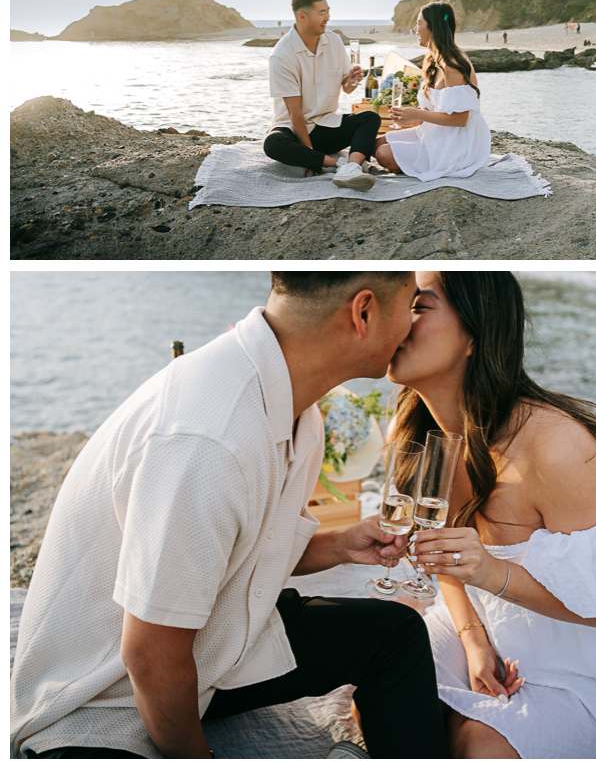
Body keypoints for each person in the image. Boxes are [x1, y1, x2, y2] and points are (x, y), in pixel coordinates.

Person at [11, 272, 450, 760]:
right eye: (410, 307)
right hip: (105, 694)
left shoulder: (294, 403)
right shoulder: (208, 439)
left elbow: (243, 546)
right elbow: (150, 657)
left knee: (394, 633)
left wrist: (339, 545)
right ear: (363, 312)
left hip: (217, 642)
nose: (411, 326)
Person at [387, 272, 596, 759]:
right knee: (379, 681)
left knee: (480, 748)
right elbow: (440, 550)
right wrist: (473, 638)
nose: (396, 321)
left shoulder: (556, 446)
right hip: (486, 622)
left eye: (419, 307)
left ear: (476, 333)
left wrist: (491, 571)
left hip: (589, 660)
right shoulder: (412, 429)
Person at [263, 0, 380, 192]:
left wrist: (351, 80)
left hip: (326, 125)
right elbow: (294, 112)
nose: (327, 17)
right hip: (293, 128)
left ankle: (351, 168)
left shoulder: (334, 41)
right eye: (321, 13)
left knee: (369, 117)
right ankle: (340, 164)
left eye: (327, 11)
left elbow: (346, 88)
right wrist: (308, 154)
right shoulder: (282, 55)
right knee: (272, 144)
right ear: (302, 16)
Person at [373, 2, 491, 181]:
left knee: (383, 154)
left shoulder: (454, 65)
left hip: (456, 143)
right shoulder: (431, 59)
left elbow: (460, 119)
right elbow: (435, 109)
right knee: (375, 143)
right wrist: (413, 121)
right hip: (436, 133)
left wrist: (418, 114)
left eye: (419, 23)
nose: (415, 29)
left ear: (433, 27)